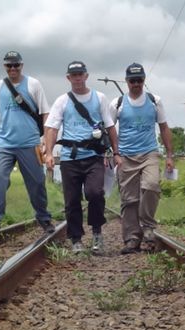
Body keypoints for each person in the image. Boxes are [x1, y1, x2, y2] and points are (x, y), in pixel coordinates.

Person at [45, 61, 120, 254]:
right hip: (70, 157)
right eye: (74, 75)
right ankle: (76, 238)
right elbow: (52, 127)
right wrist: (48, 153)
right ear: (68, 78)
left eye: (80, 74)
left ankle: (97, 231)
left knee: (95, 193)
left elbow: (110, 126)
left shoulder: (99, 98)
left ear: (86, 76)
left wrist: (116, 152)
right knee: (72, 200)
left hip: (94, 155)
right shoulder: (62, 100)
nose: (77, 78)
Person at [0, 51, 54, 235]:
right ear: (4, 66)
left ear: (22, 65)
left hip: (29, 142)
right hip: (4, 143)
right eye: (9, 65)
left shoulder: (34, 84)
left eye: (16, 65)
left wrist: (45, 139)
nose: (12, 69)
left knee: (36, 182)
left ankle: (44, 218)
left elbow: (45, 112)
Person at [110, 63, 174, 254]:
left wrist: (170, 155)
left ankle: (148, 227)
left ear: (144, 81)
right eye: (132, 81)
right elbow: (109, 129)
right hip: (126, 155)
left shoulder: (155, 101)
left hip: (149, 153)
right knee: (129, 199)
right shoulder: (118, 103)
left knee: (152, 185)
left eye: (139, 80)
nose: (136, 84)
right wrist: (114, 153)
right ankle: (132, 238)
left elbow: (163, 127)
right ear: (127, 81)